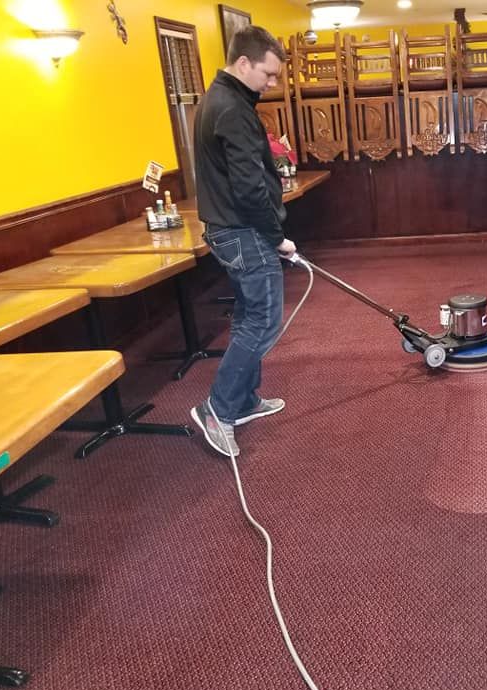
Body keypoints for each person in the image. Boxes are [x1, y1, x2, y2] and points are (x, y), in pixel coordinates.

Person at [190, 25, 295, 457]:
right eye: (268, 75)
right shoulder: (232, 108)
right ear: (244, 63)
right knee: (263, 321)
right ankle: (218, 411)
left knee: (250, 315)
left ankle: (245, 400)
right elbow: (249, 188)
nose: (271, 84)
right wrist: (277, 238)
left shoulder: (218, 98)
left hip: (229, 230)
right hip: (243, 231)